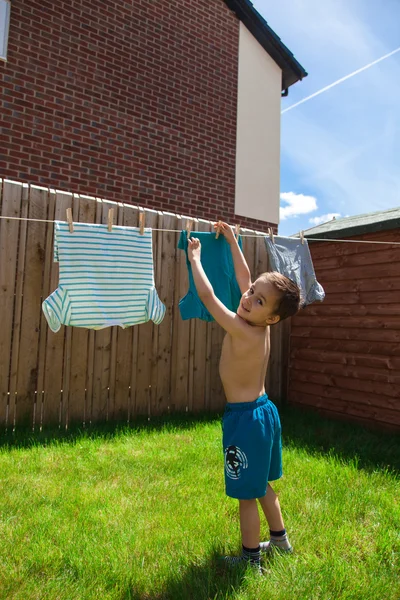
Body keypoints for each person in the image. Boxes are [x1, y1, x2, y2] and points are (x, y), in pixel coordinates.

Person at [187, 221, 301, 573]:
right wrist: (234, 241)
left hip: (246, 420)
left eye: (259, 300)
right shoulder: (257, 323)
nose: (248, 298)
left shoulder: (241, 327)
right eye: (252, 292)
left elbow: (208, 298)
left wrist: (195, 259)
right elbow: (245, 275)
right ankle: (280, 541)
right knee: (261, 483)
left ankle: (251, 560)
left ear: (274, 318)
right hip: (263, 414)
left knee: (245, 495)